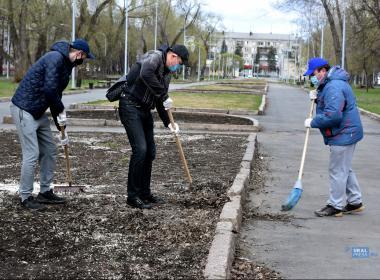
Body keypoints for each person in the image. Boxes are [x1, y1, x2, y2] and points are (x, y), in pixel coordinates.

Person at [10, 39, 95, 210]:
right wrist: (60, 109)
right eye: (84, 58)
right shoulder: (55, 58)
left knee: (49, 149)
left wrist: (60, 122)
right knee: (31, 153)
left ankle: (45, 191)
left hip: (37, 111)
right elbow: (50, 90)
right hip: (24, 108)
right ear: (79, 53)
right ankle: (25, 197)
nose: (82, 62)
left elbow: (55, 93)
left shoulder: (65, 65)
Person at [119, 44, 189, 209]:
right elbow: (145, 74)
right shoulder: (154, 57)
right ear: (172, 55)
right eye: (178, 62)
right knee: (140, 150)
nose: (177, 66)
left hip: (144, 110)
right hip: (129, 106)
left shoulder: (167, 74)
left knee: (150, 152)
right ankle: (132, 196)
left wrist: (169, 123)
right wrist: (164, 95)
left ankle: (145, 193)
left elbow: (160, 100)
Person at [303, 57, 364, 217]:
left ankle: (335, 205)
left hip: (343, 133)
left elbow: (333, 116)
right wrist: (317, 99)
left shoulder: (333, 87)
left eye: (313, 74)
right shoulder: (331, 84)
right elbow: (330, 106)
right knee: (344, 168)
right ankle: (355, 201)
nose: (312, 78)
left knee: (337, 170)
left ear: (323, 70)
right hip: (347, 131)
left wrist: (313, 121)